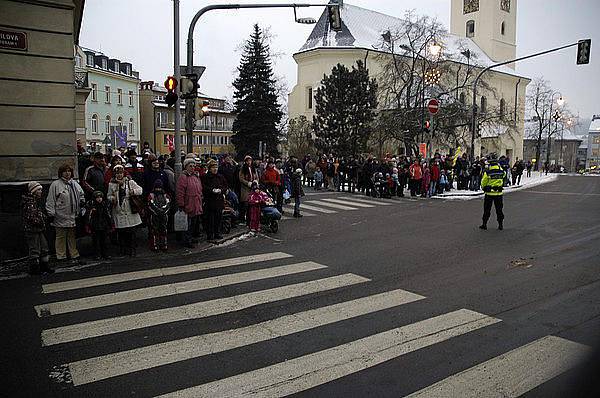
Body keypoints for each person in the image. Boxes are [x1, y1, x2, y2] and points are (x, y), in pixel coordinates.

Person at [46, 164, 85, 264]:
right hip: (60, 214)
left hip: (73, 214)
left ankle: (74, 253)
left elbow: (81, 194)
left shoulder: (74, 183)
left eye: (69, 171)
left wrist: (81, 203)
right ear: (61, 173)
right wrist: (51, 213)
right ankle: (61, 255)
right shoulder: (55, 184)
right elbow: (51, 200)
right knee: (60, 236)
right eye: (65, 171)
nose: (67, 173)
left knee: (72, 235)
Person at [107, 164, 143, 256]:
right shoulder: (111, 184)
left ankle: (132, 250)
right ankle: (123, 250)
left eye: (121, 173)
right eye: (117, 173)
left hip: (130, 208)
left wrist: (133, 192)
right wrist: (112, 198)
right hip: (119, 209)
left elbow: (140, 190)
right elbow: (108, 195)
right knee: (121, 232)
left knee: (131, 232)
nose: (119, 175)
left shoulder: (129, 182)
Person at [22, 182, 53, 275]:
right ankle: (34, 269)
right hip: (32, 229)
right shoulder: (29, 202)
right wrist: (41, 221)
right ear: (33, 191)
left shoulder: (35, 201)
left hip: (39, 229)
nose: (41, 192)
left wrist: (44, 217)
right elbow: (31, 217)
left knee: (44, 247)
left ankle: (44, 266)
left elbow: (38, 213)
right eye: (39, 190)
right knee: (35, 249)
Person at [177, 157, 203, 248]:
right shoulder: (183, 177)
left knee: (193, 224)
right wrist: (181, 204)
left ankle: (190, 238)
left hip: (196, 203)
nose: (192, 168)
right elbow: (180, 192)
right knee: (187, 224)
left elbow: (199, 189)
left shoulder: (195, 176)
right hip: (188, 203)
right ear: (186, 166)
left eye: (193, 166)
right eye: (190, 166)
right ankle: (186, 240)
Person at [202, 159, 228, 241]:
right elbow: (204, 188)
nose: (215, 169)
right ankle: (210, 234)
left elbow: (225, 186)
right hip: (210, 201)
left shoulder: (220, 176)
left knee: (218, 218)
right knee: (210, 219)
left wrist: (221, 190)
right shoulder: (205, 177)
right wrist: (212, 190)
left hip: (219, 201)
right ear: (209, 168)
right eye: (213, 167)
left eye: (216, 167)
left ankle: (217, 233)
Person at [479, 155, 506, 231]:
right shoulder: (501, 170)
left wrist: (484, 187)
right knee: (499, 210)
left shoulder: (488, 172)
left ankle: (484, 224)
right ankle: (500, 225)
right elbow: (504, 175)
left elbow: (483, 182)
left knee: (487, 210)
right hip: (498, 194)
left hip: (489, 194)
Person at [85, 190, 112, 260]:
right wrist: (88, 225)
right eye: (97, 197)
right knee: (96, 242)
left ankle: (105, 254)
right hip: (95, 226)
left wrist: (111, 224)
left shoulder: (105, 205)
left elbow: (108, 215)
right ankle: (97, 254)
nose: (99, 199)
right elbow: (88, 217)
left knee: (104, 241)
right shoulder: (91, 206)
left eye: (100, 197)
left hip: (104, 225)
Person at [147, 179, 171, 251]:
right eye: (157, 188)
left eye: (159, 188)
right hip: (155, 216)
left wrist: (163, 211)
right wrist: (158, 211)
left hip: (163, 216)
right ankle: (155, 245)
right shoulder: (151, 195)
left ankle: (163, 244)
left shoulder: (165, 195)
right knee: (155, 230)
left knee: (163, 230)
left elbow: (168, 204)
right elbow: (150, 205)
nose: (158, 189)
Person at [238, 155, 257, 224]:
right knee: (245, 204)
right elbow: (241, 179)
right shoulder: (243, 169)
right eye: (247, 161)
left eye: (250, 161)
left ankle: (249, 220)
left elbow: (256, 176)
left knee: (251, 205)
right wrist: (248, 183)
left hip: (252, 188)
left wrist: (255, 181)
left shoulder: (253, 169)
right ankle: (242, 218)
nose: (249, 162)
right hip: (245, 189)